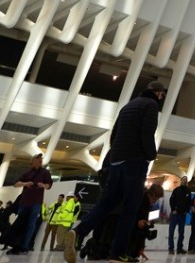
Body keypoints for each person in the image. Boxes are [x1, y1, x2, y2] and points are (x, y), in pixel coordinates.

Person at [64, 80, 166, 263]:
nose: (162, 98)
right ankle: (117, 253)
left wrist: (117, 155)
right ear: (158, 93)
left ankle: (77, 231)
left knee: (107, 203)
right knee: (130, 208)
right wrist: (151, 155)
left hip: (116, 161)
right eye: (162, 95)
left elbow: (114, 134)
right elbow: (147, 133)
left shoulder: (128, 106)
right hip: (135, 162)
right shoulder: (151, 105)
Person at [168, 175, 191, 254]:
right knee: (171, 232)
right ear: (181, 180)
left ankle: (179, 249)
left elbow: (189, 202)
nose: (185, 181)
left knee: (181, 233)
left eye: (186, 180)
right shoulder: (176, 190)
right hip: (175, 214)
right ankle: (171, 248)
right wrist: (173, 209)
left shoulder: (188, 191)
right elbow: (171, 200)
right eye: (183, 179)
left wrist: (187, 211)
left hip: (182, 215)